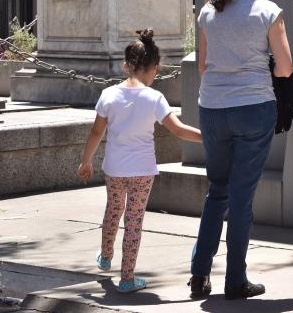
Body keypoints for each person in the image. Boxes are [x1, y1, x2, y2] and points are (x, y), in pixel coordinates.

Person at [189, 0, 293, 301]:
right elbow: (285, 67)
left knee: (217, 190)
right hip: (253, 108)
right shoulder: (268, 11)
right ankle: (236, 280)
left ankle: (199, 274)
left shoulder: (208, 12)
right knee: (242, 196)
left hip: (213, 108)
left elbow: (202, 66)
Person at [77, 29, 203, 293]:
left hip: (114, 168)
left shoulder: (109, 95)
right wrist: (208, 138)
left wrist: (86, 161)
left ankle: (105, 255)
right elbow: (178, 130)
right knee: (134, 222)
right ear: (154, 68)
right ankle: (127, 278)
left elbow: (96, 132)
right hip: (143, 171)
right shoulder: (154, 98)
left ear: (127, 65)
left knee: (113, 210)